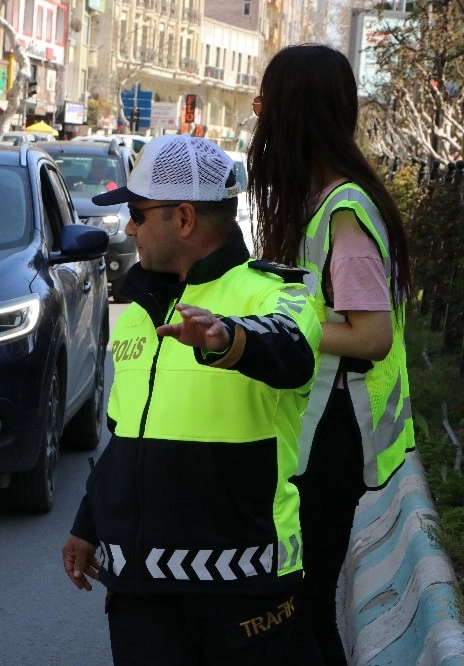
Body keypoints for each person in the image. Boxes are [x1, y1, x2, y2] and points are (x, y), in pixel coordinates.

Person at [61, 134, 323, 665]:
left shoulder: (276, 293)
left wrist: (228, 338)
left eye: (137, 213)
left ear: (183, 218)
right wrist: (88, 524)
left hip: (244, 587)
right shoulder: (139, 310)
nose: (129, 228)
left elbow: (291, 349)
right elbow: (126, 434)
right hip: (141, 589)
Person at [247, 44, 415, 666]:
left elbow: (371, 337)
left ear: (294, 115)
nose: (258, 120)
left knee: (302, 609)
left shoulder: (345, 213)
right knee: (303, 607)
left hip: (337, 439)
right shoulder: (320, 204)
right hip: (318, 436)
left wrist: (279, 333)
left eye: (266, 104)